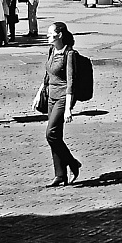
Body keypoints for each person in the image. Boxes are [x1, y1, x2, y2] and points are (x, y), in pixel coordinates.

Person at [32, 22, 82, 188]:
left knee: (50, 134)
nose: (47, 36)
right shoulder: (52, 50)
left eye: (50, 33)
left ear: (59, 35)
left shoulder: (69, 54)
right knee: (56, 136)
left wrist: (68, 109)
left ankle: (73, 163)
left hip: (62, 98)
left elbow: (71, 83)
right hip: (51, 97)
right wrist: (39, 93)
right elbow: (48, 75)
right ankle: (60, 175)